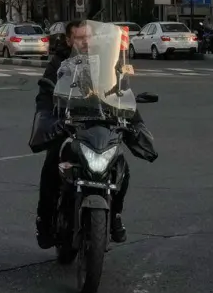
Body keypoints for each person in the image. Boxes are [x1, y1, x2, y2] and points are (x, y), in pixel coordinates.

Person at [33, 17, 145, 249]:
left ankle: (115, 215)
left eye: (88, 37)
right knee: (52, 163)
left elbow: (120, 89)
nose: (85, 42)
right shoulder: (59, 62)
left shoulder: (107, 59)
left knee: (120, 164)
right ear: (69, 39)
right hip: (69, 123)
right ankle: (44, 221)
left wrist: (134, 118)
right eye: (79, 38)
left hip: (99, 122)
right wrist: (48, 117)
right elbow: (46, 92)